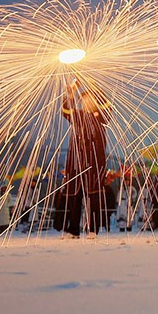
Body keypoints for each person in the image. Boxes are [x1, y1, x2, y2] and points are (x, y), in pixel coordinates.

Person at [60, 79, 109, 237]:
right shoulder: (78, 116)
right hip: (76, 162)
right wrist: (71, 92)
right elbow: (65, 111)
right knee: (75, 196)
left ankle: (93, 229)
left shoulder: (100, 116)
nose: (86, 102)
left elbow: (108, 110)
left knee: (94, 195)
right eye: (84, 100)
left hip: (95, 163)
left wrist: (96, 89)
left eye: (89, 99)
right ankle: (73, 229)